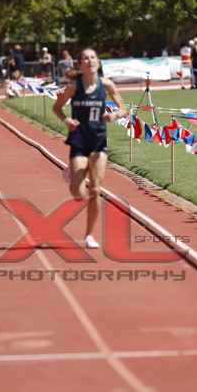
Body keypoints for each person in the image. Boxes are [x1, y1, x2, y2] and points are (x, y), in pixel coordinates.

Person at [52, 48, 127, 249]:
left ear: (98, 62)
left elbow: (123, 108)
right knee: (77, 192)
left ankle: (89, 235)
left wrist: (114, 115)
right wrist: (66, 120)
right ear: (80, 64)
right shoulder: (74, 86)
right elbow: (57, 108)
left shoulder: (107, 84)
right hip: (79, 140)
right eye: (85, 58)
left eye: (93, 57)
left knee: (95, 189)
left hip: (98, 139)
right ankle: (72, 173)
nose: (90, 60)